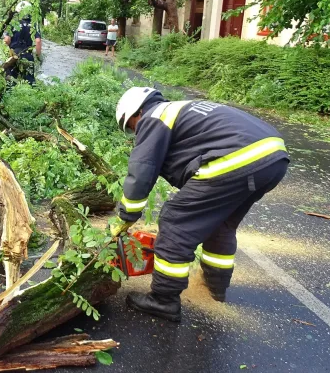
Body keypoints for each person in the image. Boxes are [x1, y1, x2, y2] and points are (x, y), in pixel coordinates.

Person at [113, 87, 289, 322]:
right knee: (220, 225)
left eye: (131, 126)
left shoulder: (154, 117)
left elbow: (142, 170)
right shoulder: (181, 110)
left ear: (137, 112)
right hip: (273, 158)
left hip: (237, 159)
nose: (135, 132)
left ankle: (163, 300)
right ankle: (214, 289)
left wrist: (126, 216)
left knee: (176, 221)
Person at [3, 2, 41, 85]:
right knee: (30, 83)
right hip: (27, 55)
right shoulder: (33, 24)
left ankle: (10, 96)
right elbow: (38, 41)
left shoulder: (13, 23)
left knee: (10, 82)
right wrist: (38, 56)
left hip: (13, 55)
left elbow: (7, 40)